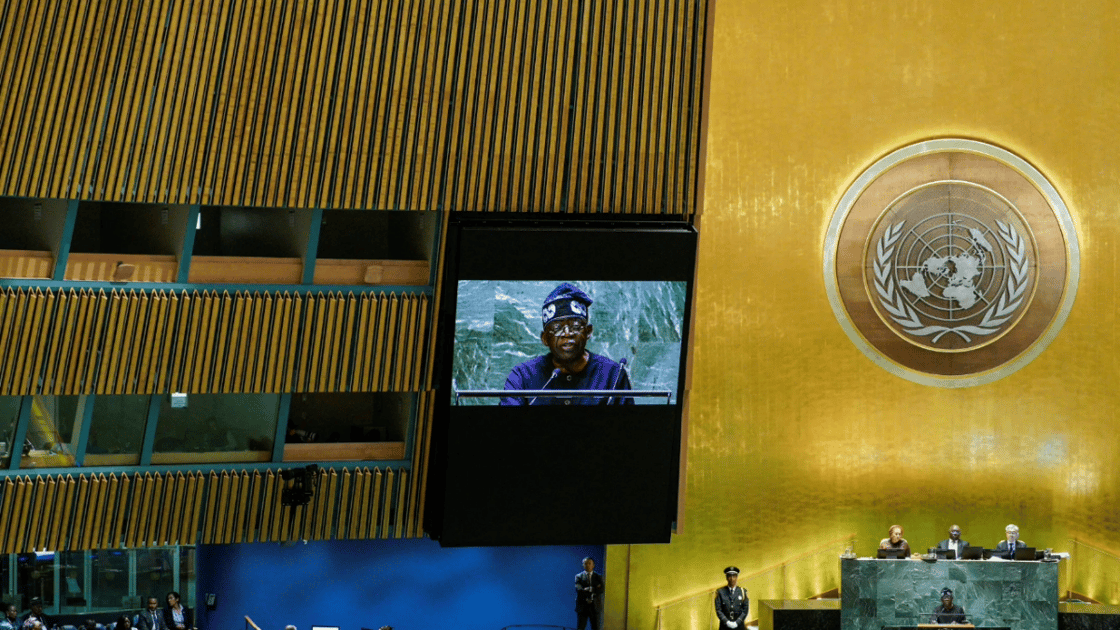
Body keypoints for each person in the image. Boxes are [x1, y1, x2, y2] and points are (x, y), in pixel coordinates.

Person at [502, 283, 633, 405]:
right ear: (545, 338)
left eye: (575, 326)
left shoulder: (613, 375)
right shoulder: (522, 377)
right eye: (557, 328)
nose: (567, 333)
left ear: (588, 332)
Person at [574, 557, 604, 630]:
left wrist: (589, 590)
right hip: (582, 607)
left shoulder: (598, 577)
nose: (587, 565)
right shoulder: (578, 576)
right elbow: (579, 589)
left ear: (593, 565)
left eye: (589, 563)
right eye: (585, 564)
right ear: (583, 565)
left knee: (596, 627)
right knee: (580, 627)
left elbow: (601, 589)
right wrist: (592, 589)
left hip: (595, 607)